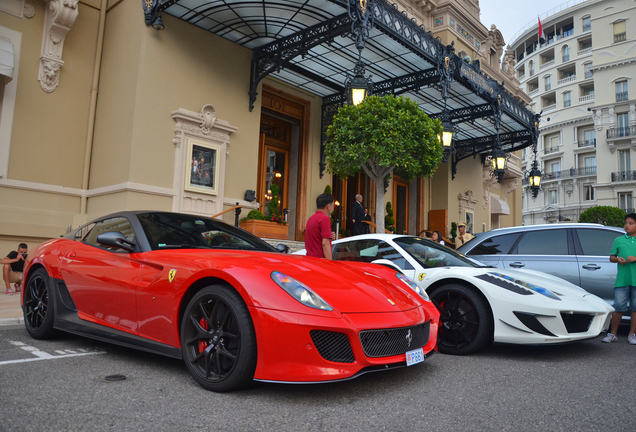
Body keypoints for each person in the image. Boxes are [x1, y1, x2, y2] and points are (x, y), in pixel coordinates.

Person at [602, 213, 636, 344]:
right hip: (622, 280)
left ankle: (632, 334)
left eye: (631, 223)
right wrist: (618, 259)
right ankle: (612, 334)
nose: (627, 225)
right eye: (626, 223)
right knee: (619, 307)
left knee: (635, 308)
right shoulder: (619, 240)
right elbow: (611, 257)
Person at [305, 193, 336, 259]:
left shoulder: (311, 218)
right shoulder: (325, 219)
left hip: (309, 259)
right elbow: (325, 243)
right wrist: (330, 262)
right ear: (328, 206)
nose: (333, 208)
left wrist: (329, 236)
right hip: (320, 261)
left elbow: (315, 236)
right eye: (333, 205)